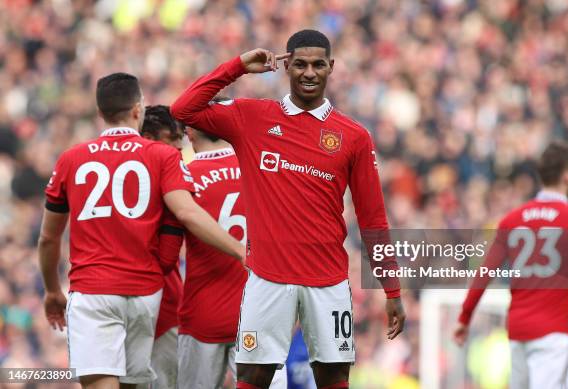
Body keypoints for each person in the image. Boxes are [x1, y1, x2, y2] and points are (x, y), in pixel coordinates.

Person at [171, 29, 405, 388]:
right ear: (286, 67)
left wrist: (392, 290)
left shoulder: (354, 136)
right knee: (253, 376)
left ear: (331, 67)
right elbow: (183, 109)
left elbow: (373, 219)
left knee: (333, 377)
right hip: (267, 278)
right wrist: (237, 67)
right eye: (299, 64)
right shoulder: (252, 117)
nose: (308, 72)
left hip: (327, 281)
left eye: (317, 65)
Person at [38, 73, 244, 389]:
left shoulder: (71, 159)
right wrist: (241, 250)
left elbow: (48, 237)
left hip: (93, 290)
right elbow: (187, 213)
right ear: (138, 109)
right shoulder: (162, 157)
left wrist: (53, 290)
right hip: (146, 295)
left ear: (99, 112)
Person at [454, 141, 568, 389]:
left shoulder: (511, 220)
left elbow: (484, 273)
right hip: (555, 334)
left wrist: (464, 317)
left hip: (519, 332)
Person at [159, 98, 287, 388]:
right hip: (260, 311)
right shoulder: (265, 171)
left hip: (203, 314)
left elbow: (167, 257)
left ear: (190, 133)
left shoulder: (183, 178)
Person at [135, 105, 186, 389]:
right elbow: (166, 259)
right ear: (149, 138)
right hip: (157, 308)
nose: (179, 153)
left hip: (162, 311)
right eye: (173, 145)